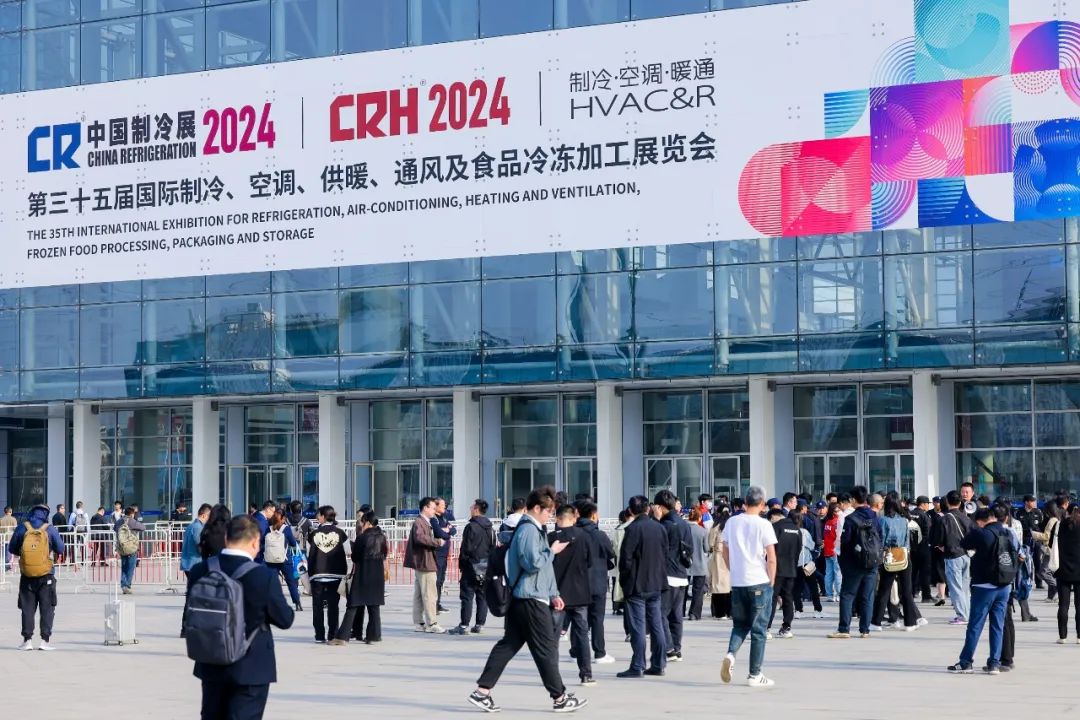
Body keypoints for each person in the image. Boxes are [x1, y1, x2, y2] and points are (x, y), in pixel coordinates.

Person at [469, 486, 586, 714]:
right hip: (530, 598)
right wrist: (552, 551)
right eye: (548, 511)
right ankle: (560, 697)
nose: (550, 515)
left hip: (527, 596)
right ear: (537, 508)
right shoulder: (529, 530)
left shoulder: (533, 529)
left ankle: (482, 691)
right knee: (546, 649)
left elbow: (542, 569)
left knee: (509, 645)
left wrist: (553, 593)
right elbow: (533, 563)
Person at [188, 516, 294, 719]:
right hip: (251, 666)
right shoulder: (263, 576)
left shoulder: (200, 570)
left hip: (210, 662)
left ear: (226, 538)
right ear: (255, 542)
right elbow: (285, 619)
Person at [720, 486, 778, 688]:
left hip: (738, 582)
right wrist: (771, 580)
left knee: (739, 625)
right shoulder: (764, 524)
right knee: (758, 630)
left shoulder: (732, 522)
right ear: (762, 504)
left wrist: (733, 569)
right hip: (759, 580)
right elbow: (771, 557)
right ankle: (755, 674)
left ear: (745, 502)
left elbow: (724, 549)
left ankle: (731, 654)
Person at [947, 505, 1015, 674]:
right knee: (997, 625)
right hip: (1004, 585)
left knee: (975, 626)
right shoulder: (1008, 532)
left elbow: (964, 543)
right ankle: (994, 663)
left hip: (984, 586)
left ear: (980, 521)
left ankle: (966, 662)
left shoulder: (981, 533)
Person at [616, 495, 668, 679]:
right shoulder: (659, 528)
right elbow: (665, 553)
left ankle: (638, 664)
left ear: (631, 510)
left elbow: (626, 559)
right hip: (656, 582)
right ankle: (659, 663)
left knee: (638, 626)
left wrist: (624, 580)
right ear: (648, 509)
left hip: (637, 583)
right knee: (656, 624)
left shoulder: (633, 529)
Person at [549, 503, 594, 686]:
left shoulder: (551, 537)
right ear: (573, 517)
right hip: (580, 592)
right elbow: (590, 562)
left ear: (558, 518)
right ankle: (586, 674)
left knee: (553, 637)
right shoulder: (585, 536)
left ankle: (552, 676)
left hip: (557, 594)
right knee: (582, 634)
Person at [9, 504, 65, 651]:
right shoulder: (49, 529)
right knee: (47, 608)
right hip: (47, 574)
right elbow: (61, 548)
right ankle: (45, 641)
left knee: (27, 608)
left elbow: (11, 548)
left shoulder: (22, 528)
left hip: (27, 575)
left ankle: (27, 641)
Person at [828, 487, 882, 639]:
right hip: (872, 562)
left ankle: (844, 629)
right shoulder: (875, 516)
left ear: (852, 499)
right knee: (867, 596)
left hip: (854, 563)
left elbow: (845, 542)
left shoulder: (851, 518)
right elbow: (880, 536)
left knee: (847, 594)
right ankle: (865, 630)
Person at [331, 511, 388, 645]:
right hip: (377, 576)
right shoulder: (382, 537)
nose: (361, 524)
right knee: (374, 608)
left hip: (363, 574)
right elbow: (384, 555)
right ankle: (374, 636)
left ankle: (342, 637)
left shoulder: (362, 538)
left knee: (353, 605)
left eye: (362, 522)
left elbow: (355, 557)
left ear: (367, 522)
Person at [573, 499, 615, 664]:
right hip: (598, 582)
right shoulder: (600, 535)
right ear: (593, 515)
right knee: (597, 619)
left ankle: (576, 651)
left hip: (577, 583)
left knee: (579, 619)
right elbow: (610, 553)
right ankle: (599, 652)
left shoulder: (574, 533)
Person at [872, 495, 921, 631]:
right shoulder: (904, 520)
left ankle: (876, 622)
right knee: (907, 591)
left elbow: (882, 540)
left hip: (890, 556)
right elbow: (907, 540)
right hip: (904, 555)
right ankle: (910, 623)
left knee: (884, 591)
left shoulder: (882, 520)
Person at [654, 489, 692, 663]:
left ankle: (669, 649)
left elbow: (657, 547)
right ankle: (677, 648)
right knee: (676, 616)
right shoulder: (684, 524)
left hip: (667, 574)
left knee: (660, 614)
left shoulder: (663, 525)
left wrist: (656, 520)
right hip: (682, 574)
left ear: (661, 507)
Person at [452, 498, 496, 635]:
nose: (470, 508)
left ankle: (464, 625)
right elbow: (493, 547)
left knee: (467, 596)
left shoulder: (471, 527)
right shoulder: (490, 528)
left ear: (476, 509)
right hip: (486, 565)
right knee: (482, 596)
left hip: (471, 565)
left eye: (472, 507)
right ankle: (480, 624)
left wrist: (462, 563)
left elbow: (466, 548)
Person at [404, 497, 446, 633]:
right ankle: (432, 623)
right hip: (425, 562)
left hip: (423, 562)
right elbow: (420, 538)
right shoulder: (420, 522)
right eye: (433, 508)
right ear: (425, 508)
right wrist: (437, 542)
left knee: (420, 595)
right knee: (430, 595)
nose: (435, 510)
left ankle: (419, 623)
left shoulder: (423, 521)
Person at [306, 506, 347, 643]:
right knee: (333, 606)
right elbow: (348, 551)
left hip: (317, 574)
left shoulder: (314, 534)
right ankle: (333, 634)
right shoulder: (340, 533)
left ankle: (319, 635)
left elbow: (309, 552)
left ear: (323, 516)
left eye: (319, 515)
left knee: (317, 606)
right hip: (336, 574)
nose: (317, 517)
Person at [937, 490, 974, 625]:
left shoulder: (945, 518)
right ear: (960, 502)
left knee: (955, 587)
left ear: (947, 502)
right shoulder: (966, 518)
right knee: (965, 587)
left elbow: (939, 538)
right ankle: (967, 613)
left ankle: (962, 616)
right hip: (966, 555)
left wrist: (941, 546)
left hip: (952, 555)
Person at [767, 507, 802, 639]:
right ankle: (786, 628)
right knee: (788, 598)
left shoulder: (776, 527)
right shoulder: (797, 529)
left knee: (772, 598)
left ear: (774, 517)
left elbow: (770, 549)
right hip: (791, 569)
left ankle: (766, 628)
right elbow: (799, 549)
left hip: (776, 569)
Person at [265, 510, 302, 612]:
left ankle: (271, 604)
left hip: (270, 560)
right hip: (285, 560)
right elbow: (293, 544)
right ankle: (297, 603)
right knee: (291, 582)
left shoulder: (268, 529)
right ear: (283, 518)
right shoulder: (286, 529)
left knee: (271, 583)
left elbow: (263, 542)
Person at [1054, 503, 1080, 644]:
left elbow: (1052, 544)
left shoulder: (1060, 525)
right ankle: (1079, 636)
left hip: (1062, 569)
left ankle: (1062, 636)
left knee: (1063, 605)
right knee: (1079, 605)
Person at [431, 497, 458, 614]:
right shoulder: (433, 519)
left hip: (444, 553)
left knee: (441, 580)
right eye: (442, 506)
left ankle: (438, 603)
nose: (444, 508)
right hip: (437, 553)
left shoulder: (445, 517)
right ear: (436, 506)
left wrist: (447, 531)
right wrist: (446, 532)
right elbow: (438, 533)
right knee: (436, 580)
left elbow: (454, 530)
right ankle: (433, 605)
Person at [685, 508, 710, 621]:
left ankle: (680, 611)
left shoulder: (684, 529)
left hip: (685, 563)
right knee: (698, 590)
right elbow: (706, 548)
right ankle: (694, 613)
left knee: (682, 590)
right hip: (699, 563)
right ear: (699, 518)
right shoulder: (703, 531)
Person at [114, 506, 145, 594]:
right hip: (131, 547)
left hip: (122, 547)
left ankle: (123, 584)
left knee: (124, 567)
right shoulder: (132, 521)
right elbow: (143, 528)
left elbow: (115, 529)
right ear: (131, 514)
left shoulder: (119, 521)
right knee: (130, 567)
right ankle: (127, 585)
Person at [708, 512, 732, 619]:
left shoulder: (715, 527)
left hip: (718, 558)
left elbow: (710, 543)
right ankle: (729, 612)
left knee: (717, 586)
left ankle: (718, 612)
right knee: (729, 586)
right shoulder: (731, 527)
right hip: (731, 557)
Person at [909, 496, 934, 603]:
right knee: (925, 572)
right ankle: (926, 596)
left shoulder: (909, 514)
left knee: (912, 572)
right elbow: (927, 532)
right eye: (927, 503)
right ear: (923, 504)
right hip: (923, 547)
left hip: (911, 547)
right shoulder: (924, 515)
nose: (928, 506)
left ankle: (910, 594)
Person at [182, 504, 212, 578]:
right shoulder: (198, 527)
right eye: (210, 516)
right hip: (195, 563)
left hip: (188, 563)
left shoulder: (190, 526)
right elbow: (200, 546)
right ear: (204, 515)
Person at [822, 502, 841, 602]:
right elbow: (838, 537)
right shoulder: (837, 522)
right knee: (838, 573)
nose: (839, 511)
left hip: (827, 550)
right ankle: (838, 594)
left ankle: (829, 594)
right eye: (838, 510)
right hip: (835, 550)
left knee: (828, 573)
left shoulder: (828, 522)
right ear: (834, 511)